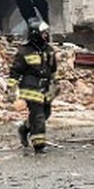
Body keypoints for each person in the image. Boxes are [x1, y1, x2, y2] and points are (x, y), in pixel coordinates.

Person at [9, 20, 57, 154]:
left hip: (45, 87)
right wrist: (11, 88)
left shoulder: (49, 50)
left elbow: (53, 69)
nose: (46, 35)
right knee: (38, 116)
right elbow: (15, 71)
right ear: (36, 34)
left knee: (46, 113)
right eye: (43, 33)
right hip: (30, 88)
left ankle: (25, 129)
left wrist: (55, 83)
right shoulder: (24, 51)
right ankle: (39, 145)